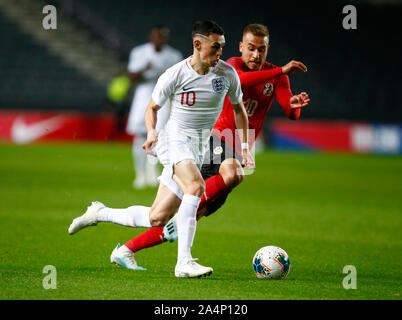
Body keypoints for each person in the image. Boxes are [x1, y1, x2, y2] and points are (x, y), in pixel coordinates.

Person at [92, 23, 310, 270]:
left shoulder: (278, 78)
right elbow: (242, 80)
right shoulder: (232, 66)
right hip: (217, 138)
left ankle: (127, 249)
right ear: (241, 47)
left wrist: (294, 105)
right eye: (251, 48)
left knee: (177, 218)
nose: (256, 55)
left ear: (268, 49)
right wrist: (281, 69)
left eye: (262, 50)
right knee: (233, 174)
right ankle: (183, 257)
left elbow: (289, 111)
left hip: (237, 147)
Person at [68, 21, 254, 278]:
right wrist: (153, 133)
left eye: (221, 47)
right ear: (197, 45)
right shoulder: (175, 74)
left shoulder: (226, 75)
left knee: (158, 217)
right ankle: (184, 263)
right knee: (195, 187)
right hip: (174, 140)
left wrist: (245, 147)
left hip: (199, 145)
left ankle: (99, 212)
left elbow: (239, 109)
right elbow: (151, 108)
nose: (220, 53)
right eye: (215, 47)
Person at [126, 26, 183, 188]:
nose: (159, 39)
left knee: (159, 134)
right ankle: (140, 173)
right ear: (151, 36)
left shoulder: (174, 55)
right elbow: (130, 76)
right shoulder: (139, 52)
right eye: (156, 36)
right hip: (143, 94)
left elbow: (179, 80)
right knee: (140, 133)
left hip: (164, 97)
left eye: (162, 36)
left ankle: (152, 170)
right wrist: (145, 69)